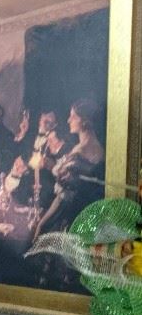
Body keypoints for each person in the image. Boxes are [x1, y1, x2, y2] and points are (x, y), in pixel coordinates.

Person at [34, 100, 105, 237]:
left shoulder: (81, 151)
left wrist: (42, 225)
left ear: (84, 121)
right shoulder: (97, 148)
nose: (68, 120)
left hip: (73, 218)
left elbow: (63, 198)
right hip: (87, 216)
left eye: (73, 116)